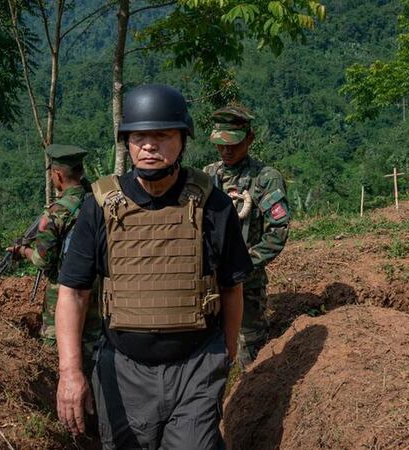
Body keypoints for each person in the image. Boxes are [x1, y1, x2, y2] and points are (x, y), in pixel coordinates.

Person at [54, 84, 253, 449]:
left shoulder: (214, 205)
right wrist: (70, 373)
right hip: (124, 370)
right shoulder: (98, 207)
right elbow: (73, 293)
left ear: (182, 140)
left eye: (162, 135)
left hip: (196, 365)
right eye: (139, 136)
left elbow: (231, 287)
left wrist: (225, 356)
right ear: (127, 143)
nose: (149, 145)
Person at [203, 105, 291, 368]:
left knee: (248, 357)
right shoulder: (206, 177)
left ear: (249, 139)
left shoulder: (265, 180)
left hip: (247, 288)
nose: (226, 150)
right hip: (208, 286)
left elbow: (277, 232)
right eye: (221, 144)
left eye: (233, 144)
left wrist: (243, 265)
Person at [8, 144, 100, 368]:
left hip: (63, 295)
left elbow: (43, 260)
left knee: (57, 354)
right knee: (93, 350)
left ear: (58, 174)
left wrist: (23, 251)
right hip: (98, 292)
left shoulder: (56, 212)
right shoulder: (98, 202)